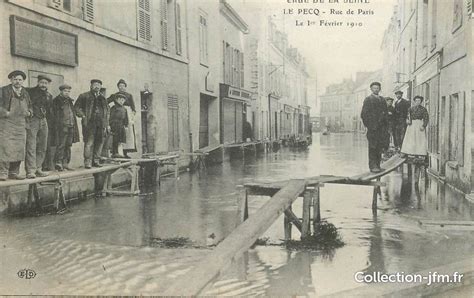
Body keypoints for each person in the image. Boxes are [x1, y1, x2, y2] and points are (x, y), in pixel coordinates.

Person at [0, 71, 32, 181]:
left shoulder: (25, 93)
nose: (17, 81)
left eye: (20, 80)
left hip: (21, 124)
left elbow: (30, 106)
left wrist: (29, 112)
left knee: (19, 148)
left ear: (23, 81)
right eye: (15, 79)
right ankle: (3, 172)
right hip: (6, 124)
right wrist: (5, 113)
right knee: (5, 147)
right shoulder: (3, 90)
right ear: (11, 80)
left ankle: (14, 172)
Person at [74, 79, 110, 169]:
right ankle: (88, 162)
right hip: (89, 124)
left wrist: (106, 124)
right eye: (95, 84)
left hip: (101, 124)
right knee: (89, 143)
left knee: (99, 142)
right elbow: (76, 107)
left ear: (101, 87)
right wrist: (82, 115)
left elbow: (107, 111)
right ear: (91, 86)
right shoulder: (84, 96)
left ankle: (96, 161)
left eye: (98, 84)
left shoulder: (103, 98)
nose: (96, 86)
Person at [25, 75, 53, 178]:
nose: (43, 85)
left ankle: (38, 168)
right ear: (38, 82)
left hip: (43, 120)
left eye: (45, 83)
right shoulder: (30, 92)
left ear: (48, 84)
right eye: (41, 82)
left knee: (42, 145)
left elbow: (50, 110)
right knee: (31, 145)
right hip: (33, 120)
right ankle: (30, 170)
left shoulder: (49, 95)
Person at [360, 82, 388, 173]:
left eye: (377, 88)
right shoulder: (368, 99)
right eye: (374, 88)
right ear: (371, 89)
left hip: (381, 128)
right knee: (373, 146)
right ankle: (372, 166)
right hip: (372, 128)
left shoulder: (382, 100)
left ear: (379, 89)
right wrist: (369, 125)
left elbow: (386, 113)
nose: (376, 89)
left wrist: (385, 125)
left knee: (379, 147)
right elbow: (364, 114)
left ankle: (378, 165)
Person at [401, 95, 429, 184]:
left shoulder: (423, 109)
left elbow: (426, 118)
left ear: (421, 101)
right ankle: (410, 152)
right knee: (411, 139)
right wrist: (407, 121)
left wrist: (423, 125)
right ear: (414, 101)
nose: (418, 102)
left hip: (419, 124)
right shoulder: (410, 109)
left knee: (420, 140)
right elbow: (407, 117)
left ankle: (420, 152)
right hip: (412, 125)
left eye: (419, 100)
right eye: (416, 100)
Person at [51, 84, 80, 171]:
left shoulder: (69, 101)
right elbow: (54, 115)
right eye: (65, 91)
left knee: (68, 145)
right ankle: (58, 163)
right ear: (61, 91)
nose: (67, 93)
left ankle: (66, 163)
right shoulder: (56, 101)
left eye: (68, 91)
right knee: (61, 144)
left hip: (70, 126)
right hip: (62, 126)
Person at [108, 79, 136, 157]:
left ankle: (125, 152)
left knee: (127, 134)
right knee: (117, 135)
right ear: (118, 87)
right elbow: (107, 102)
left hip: (127, 114)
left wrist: (132, 117)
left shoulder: (129, 95)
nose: (121, 87)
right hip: (117, 115)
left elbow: (133, 108)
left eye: (123, 86)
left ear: (125, 87)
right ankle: (116, 152)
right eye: (120, 86)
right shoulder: (115, 95)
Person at [109, 93, 129, 158]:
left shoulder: (124, 109)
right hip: (115, 125)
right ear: (117, 100)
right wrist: (110, 125)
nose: (121, 101)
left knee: (121, 140)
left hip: (121, 125)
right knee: (115, 139)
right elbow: (110, 117)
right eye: (120, 99)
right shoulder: (113, 108)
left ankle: (121, 153)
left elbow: (126, 118)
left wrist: (126, 125)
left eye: (123, 100)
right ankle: (115, 153)